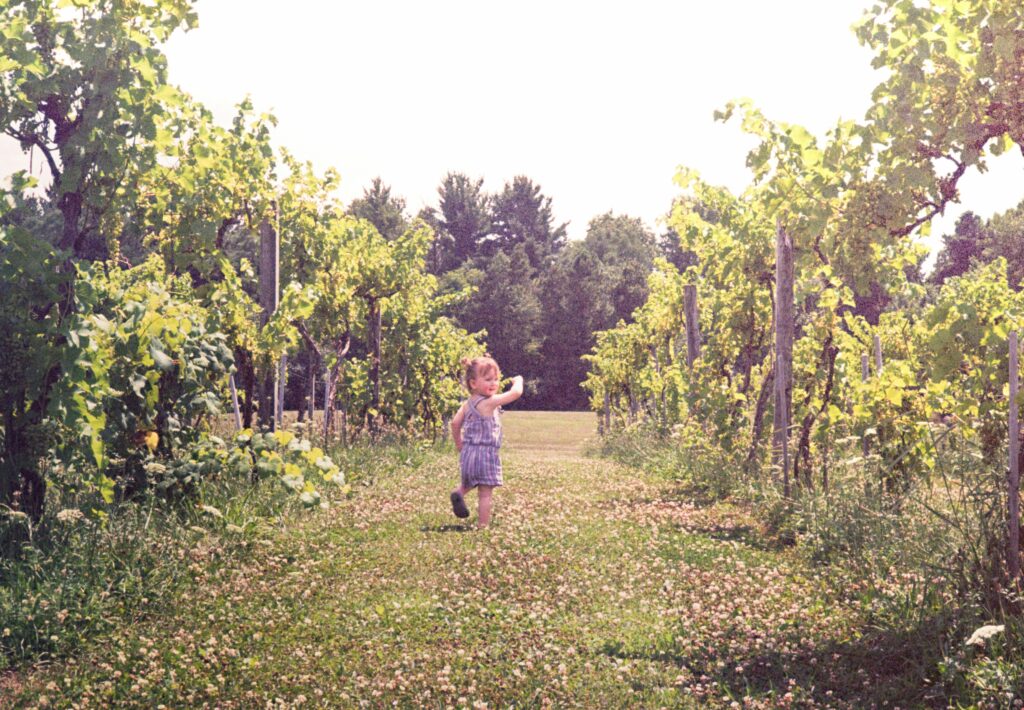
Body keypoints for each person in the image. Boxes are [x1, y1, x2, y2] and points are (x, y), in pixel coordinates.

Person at [449, 356, 523, 528]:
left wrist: (459, 444)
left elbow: (455, 423)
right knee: (485, 492)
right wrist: (518, 381)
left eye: (496, 379)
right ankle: (483, 525)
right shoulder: (489, 402)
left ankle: (459, 492)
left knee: (470, 481)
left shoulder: (467, 404)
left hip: (468, 453)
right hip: (485, 454)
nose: (494, 383)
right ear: (473, 383)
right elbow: (515, 393)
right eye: (488, 379)